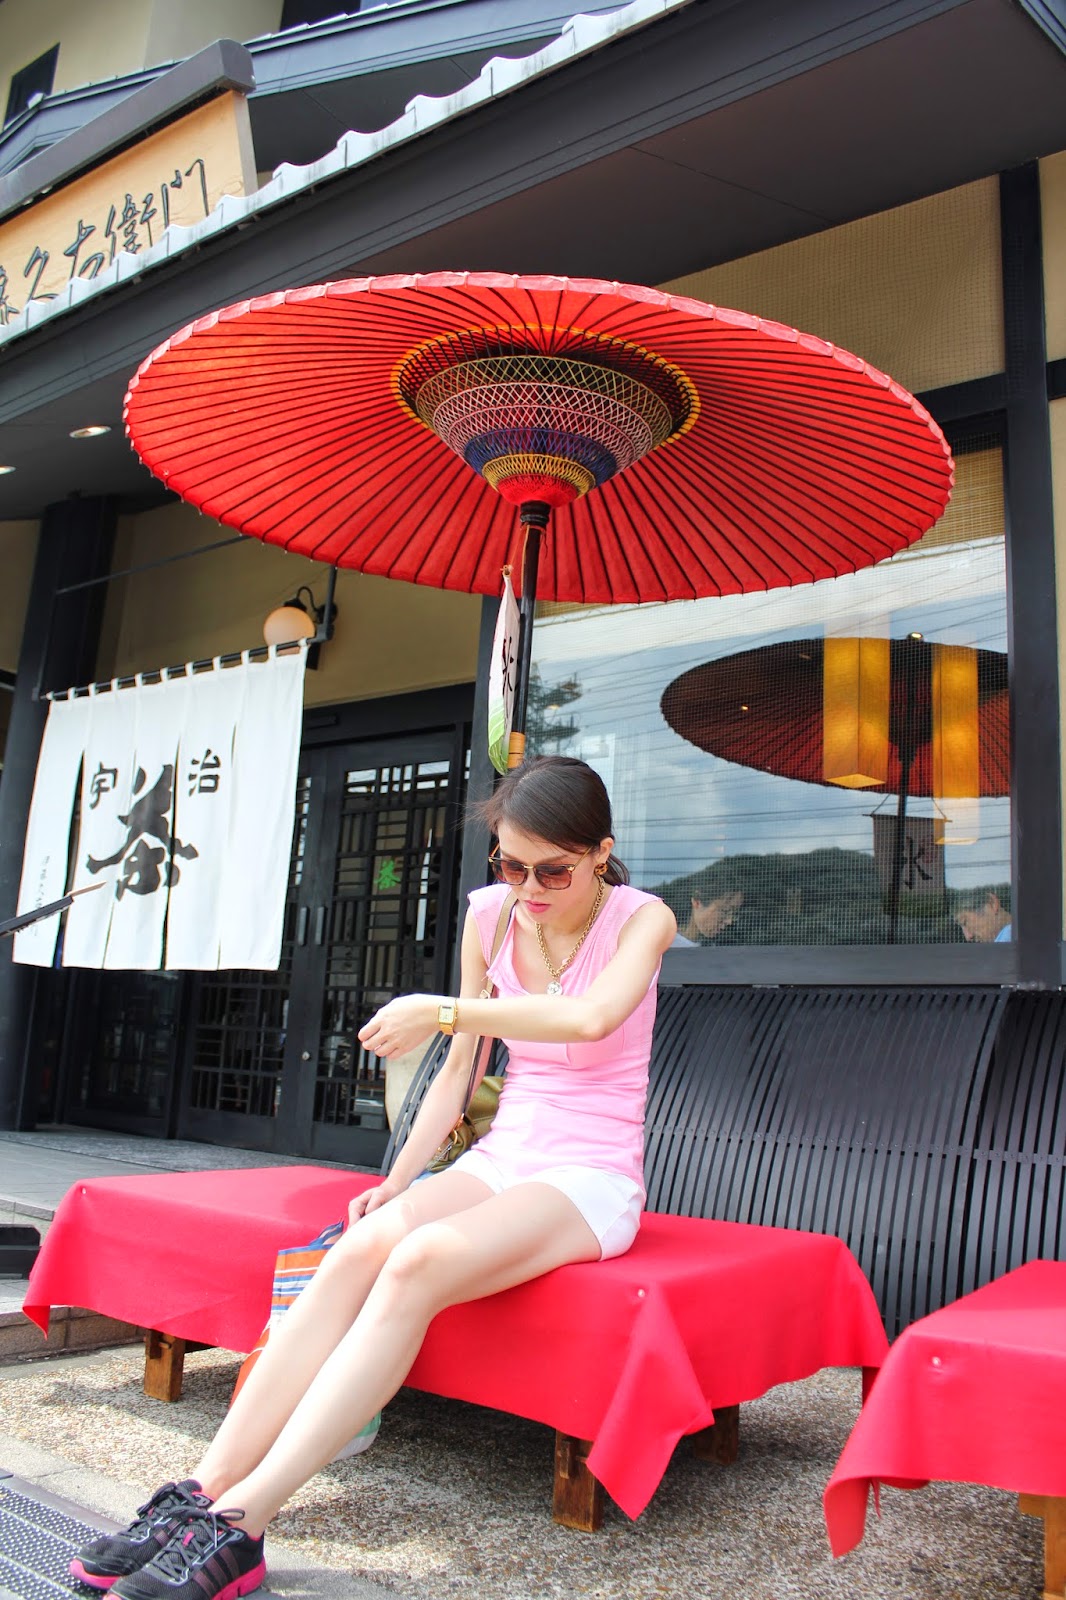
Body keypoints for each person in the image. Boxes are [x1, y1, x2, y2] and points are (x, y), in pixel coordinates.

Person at [71, 755, 676, 1600]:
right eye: (511, 865)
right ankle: (202, 1492)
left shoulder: (644, 919)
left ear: (601, 854)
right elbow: (461, 1069)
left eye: (554, 871)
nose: (530, 888)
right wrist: (401, 1179)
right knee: (357, 1247)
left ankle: (244, 1523)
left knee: (416, 1262)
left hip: (589, 1173)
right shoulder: (491, 915)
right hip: (504, 1154)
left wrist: (442, 1008)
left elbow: (590, 1017)